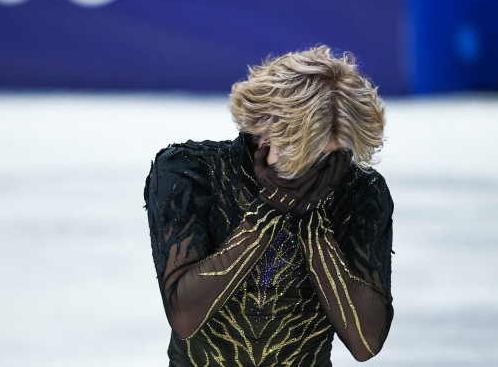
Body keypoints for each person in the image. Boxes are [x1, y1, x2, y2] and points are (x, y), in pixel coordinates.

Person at [144, 46, 394, 366]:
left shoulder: (358, 192)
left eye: (331, 157)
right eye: (303, 150)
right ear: (267, 128)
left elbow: (366, 342)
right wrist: (267, 211)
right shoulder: (189, 172)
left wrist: (310, 221)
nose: (314, 171)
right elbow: (185, 317)